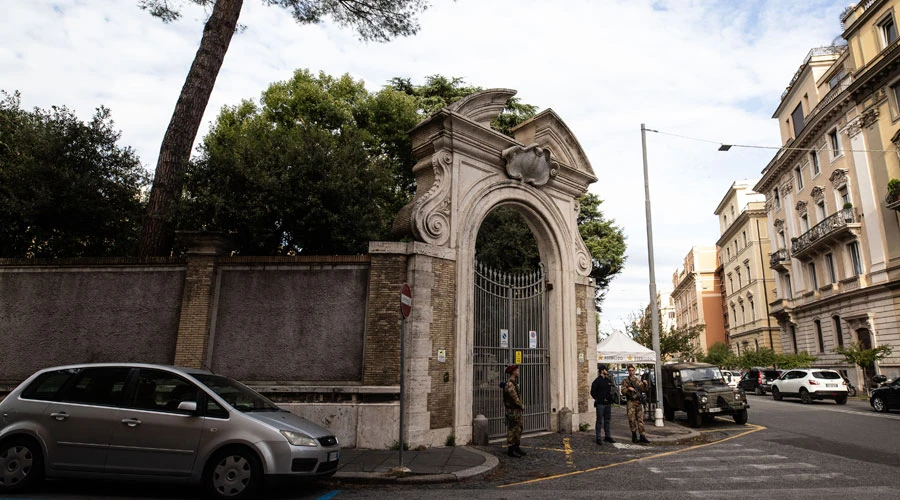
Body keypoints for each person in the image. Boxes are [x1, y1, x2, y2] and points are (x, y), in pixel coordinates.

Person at [620, 364, 651, 444]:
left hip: (638, 402)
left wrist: (645, 384)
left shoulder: (637, 380)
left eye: (632, 370)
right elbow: (622, 391)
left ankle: (642, 435)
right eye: (630, 370)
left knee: (640, 419)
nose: (631, 372)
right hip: (631, 402)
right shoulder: (626, 381)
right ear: (628, 371)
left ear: (634, 371)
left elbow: (644, 389)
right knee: (632, 419)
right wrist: (628, 389)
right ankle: (634, 435)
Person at [503, 364, 526, 457]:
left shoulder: (514, 383)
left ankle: (516, 446)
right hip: (512, 410)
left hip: (516, 410)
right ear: (513, 372)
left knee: (518, 428)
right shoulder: (510, 384)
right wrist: (521, 405)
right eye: (517, 370)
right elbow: (514, 397)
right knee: (512, 429)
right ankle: (511, 449)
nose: (518, 371)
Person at [590, 364, 616, 445]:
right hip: (600, 404)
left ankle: (607, 436)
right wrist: (598, 399)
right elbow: (592, 392)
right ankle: (598, 437)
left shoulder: (607, 380)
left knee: (607, 420)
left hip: (608, 403)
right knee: (599, 421)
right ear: (602, 371)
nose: (607, 371)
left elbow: (611, 389)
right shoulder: (597, 381)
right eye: (605, 370)